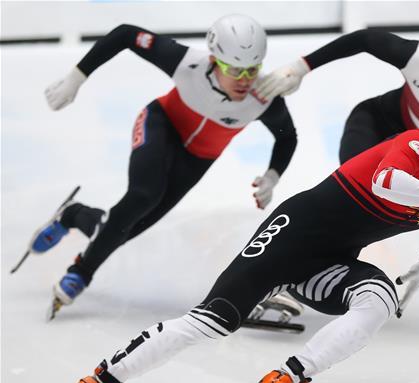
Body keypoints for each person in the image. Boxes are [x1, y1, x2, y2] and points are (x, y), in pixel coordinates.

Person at [37, 87, 419, 383]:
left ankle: (279, 380)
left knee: (376, 302)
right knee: (212, 322)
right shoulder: (416, 146)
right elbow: (387, 185)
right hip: (290, 238)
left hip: (329, 261)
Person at [254, 0, 419, 317]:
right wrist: (300, 67)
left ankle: (295, 276)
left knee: (367, 221)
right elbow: (365, 40)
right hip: (375, 128)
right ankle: (266, 275)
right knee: (344, 207)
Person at [31, 15, 298, 318]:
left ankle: (73, 215)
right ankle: (79, 274)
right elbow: (125, 34)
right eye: (234, 69)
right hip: (161, 125)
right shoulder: (187, 63)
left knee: (124, 229)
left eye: (253, 69)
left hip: (197, 158)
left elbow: (287, 137)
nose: (244, 79)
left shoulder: (264, 96)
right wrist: (76, 78)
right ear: (214, 59)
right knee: (144, 195)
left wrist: (272, 176)